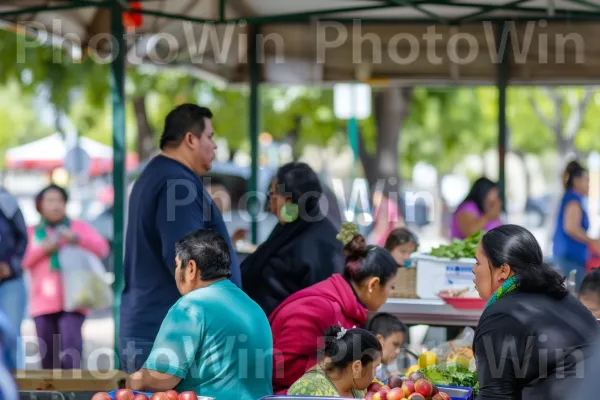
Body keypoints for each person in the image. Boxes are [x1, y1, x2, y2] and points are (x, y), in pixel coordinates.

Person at [119, 104, 241, 373]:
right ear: (190, 139)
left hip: (159, 330)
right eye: (210, 136)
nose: (215, 145)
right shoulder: (176, 183)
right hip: (170, 338)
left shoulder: (159, 175)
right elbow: (188, 261)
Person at [127, 229, 272, 400]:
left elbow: (160, 378)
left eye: (177, 264)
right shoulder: (252, 307)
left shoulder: (190, 307)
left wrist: (131, 381)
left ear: (190, 268)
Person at [472, 224, 599, 399]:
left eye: (478, 262)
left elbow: (494, 397)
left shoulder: (501, 316)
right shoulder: (564, 298)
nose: (473, 269)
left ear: (503, 270)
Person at [269, 222, 398, 394]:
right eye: (391, 287)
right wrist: (339, 366)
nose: (390, 294)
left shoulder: (350, 309)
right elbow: (281, 368)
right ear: (373, 284)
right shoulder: (319, 308)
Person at [23, 184, 109, 369]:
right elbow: (23, 261)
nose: (55, 205)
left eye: (59, 200)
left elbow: (102, 248)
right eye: (50, 201)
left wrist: (77, 239)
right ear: (40, 205)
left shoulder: (78, 227)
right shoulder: (32, 232)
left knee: (71, 352)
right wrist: (44, 250)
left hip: (75, 299)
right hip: (43, 303)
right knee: (48, 356)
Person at [241, 162, 344, 317]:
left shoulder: (321, 243)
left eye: (273, 193)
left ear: (289, 200)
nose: (271, 203)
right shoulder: (290, 230)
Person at [288, 326, 382, 398]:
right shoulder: (307, 391)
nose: (374, 376)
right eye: (375, 367)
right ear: (356, 367)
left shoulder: (360, 387)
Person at [552, 165, 599, 291]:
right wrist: (592, 241)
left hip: (569, 259)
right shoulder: (573, 199)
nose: (589, 185)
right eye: (586, 180)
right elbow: (571, 227)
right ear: (577, 181)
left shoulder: (571, 197)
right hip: (570, 260)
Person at [0, 187, 28, 369]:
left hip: (9, 280)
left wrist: (11, 266)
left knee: (10, 336)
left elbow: (23, 239)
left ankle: (13, 389)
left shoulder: (5, 201)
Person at [365, 313, 408, 381]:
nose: (398, 351)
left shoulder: (381, 368)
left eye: (400, 346)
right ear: (379, 340)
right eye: (395, 344)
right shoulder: (366, 374)